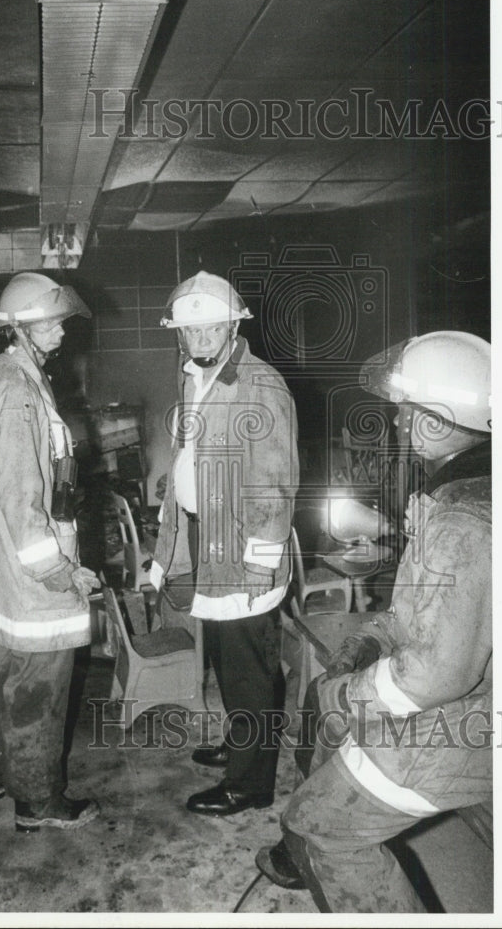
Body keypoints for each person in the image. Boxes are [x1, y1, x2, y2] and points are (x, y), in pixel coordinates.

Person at [256, 330, 492, 912]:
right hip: (466, 702)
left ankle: (305, 840)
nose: (397, 425)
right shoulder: (460, 492)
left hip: (467, 720)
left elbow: (436, 676)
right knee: (326, 696)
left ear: (434, 422)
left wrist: (349, 693)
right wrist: (369, 639)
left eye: (404, 413)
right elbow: (425, 610)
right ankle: (299, 842)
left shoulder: (464, 520)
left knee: (321, 824)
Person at [150, 271, 299, 816]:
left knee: (249, 669)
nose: (202, 338)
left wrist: (261, 565)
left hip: (242, 552)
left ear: (234, 325)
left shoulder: (259, 386)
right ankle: (242, 745)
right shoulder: (194, 378)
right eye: (191, 330)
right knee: (223, 655)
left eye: (213, 327)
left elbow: (276, 486)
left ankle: (250, 784)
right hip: (204, 538)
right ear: (180, 335)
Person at [0, 272, 101, 832]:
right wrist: (61, 572)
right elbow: (26, 504)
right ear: (19, 328)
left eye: (61, 320)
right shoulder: (20, 395)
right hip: (30, 572)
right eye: (50, 321)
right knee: (38, 689)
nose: (62, 331)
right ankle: (38, 802)